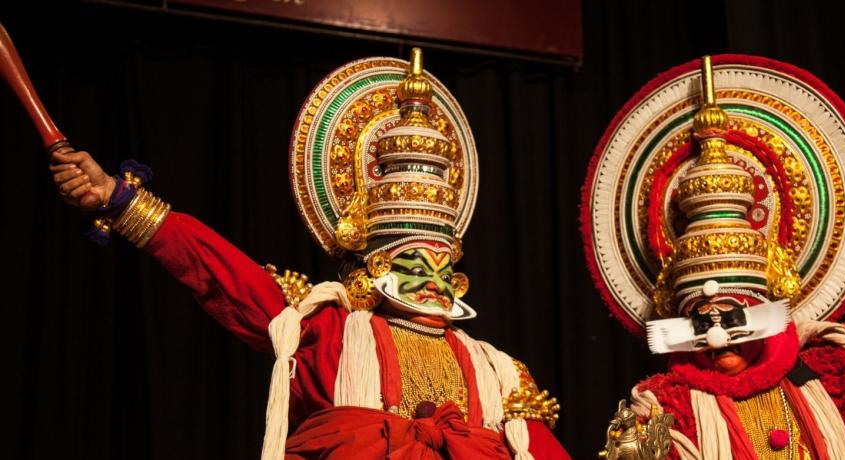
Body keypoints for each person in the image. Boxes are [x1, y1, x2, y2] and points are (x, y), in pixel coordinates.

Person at [49, 48, 569, 460]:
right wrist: (120, 199)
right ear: (377, 263)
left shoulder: (499, 372)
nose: (432, 278)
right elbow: (218, 274)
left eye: (443, 261)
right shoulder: (325, 329)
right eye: (414, 260)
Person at [583, 55, 845, 460]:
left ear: (759, 308)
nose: (716, 338)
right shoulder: (664, 408)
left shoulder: (832, 369)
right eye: (701, 323)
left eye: (731, 319)